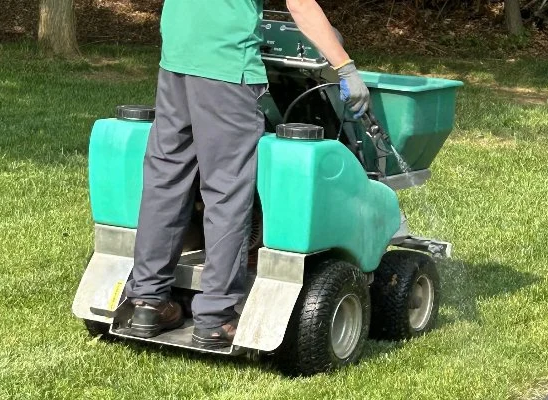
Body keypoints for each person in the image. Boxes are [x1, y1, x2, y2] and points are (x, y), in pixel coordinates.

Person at [122, 0, 371, 349]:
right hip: (226, 70)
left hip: (177, 61)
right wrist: (344, 66)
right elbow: (300, 5)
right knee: (226, 190)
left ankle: (148, 303)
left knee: (167, 179)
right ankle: (215, 318)